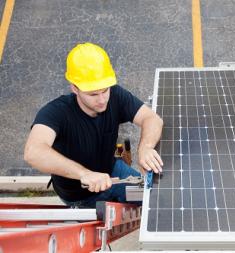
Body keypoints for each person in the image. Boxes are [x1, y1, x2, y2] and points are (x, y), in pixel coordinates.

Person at [24, 42, 163, 208]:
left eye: (105, 90)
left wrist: (145, 148)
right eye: (93, 94)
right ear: (75, 88)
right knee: (104, 226)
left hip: (114, 172)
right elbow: (33, 152)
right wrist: (84, 174)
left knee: (155, 197)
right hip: (81, 196)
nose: (102, 99)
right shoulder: (56, 112)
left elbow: (152, 119)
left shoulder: (115, 95)